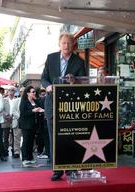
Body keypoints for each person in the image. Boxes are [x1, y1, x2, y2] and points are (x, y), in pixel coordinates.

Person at [41, 32, 86, 181]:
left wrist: (75, 82)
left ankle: (71, 168)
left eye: (69, 43)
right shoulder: (51, 58)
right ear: (59, 44)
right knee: (54, 138)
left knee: (70, 137)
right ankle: (57, 169)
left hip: (70, 105)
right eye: (64, 43)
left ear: (73, 45)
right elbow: (44, 78)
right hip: (52, 104)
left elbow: (84, 82)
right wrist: (48, 87)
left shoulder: (79, 62)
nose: (66, 45)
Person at [18, 85, 43, 167]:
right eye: (32, 92)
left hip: (33, 125)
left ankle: (30, 158)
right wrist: (33, 110)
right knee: (26, 141)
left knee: (31, 141)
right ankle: (25, 158)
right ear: (28, 93)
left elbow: (41, 106)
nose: (34, 93)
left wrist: (38, 107)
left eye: (35, 92)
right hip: (25, 124)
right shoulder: (24, 101)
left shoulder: (35, 101)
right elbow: (23, 113)